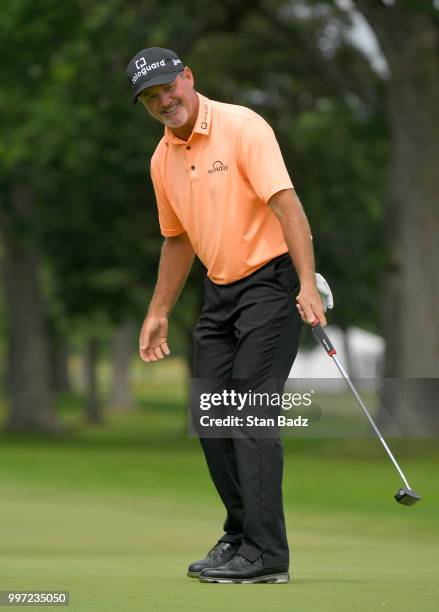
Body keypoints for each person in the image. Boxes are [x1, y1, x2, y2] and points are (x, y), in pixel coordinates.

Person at [126, 46, 326, 584]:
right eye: (150, 98)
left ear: (188, 78)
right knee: (212, 416)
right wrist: (158, 311)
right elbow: (177, 240)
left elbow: (286, 204)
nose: (164, 101)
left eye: (169, 87)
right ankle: (240, 536)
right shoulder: (161, 159)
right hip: (219, 292)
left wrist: (307, 282)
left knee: (249, 411)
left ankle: (267, 555)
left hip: (271, 283)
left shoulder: (242, 127)